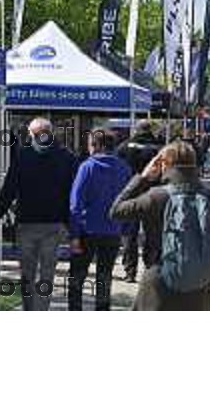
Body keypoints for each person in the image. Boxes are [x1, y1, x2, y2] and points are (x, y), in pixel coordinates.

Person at [110, 141, 210, 310]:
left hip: (158, 283)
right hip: (199, 291)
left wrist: (143, 178)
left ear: (164, 164)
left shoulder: (156, 197)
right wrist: (203, 274)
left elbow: (116, 211)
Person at [0, 117, 78, 311]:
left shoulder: (23, 156)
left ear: (31, 135)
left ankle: (30, 310)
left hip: (27, 223)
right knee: (46, 273)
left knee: (27, 273)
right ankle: (41, 310)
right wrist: (72, 226)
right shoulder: (67, 157)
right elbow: (74, 195)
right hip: (54, 223)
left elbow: (8, 191)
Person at [68, 129, 132, 311]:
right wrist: (126, 230)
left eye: (90, 144)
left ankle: (75, 310)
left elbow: (75, 203)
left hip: (87, 230)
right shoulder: (124, 168)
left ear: (98, 146)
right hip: (112, 230)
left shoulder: (87, 167)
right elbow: (128, 202)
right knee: (105, 276)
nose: (88, 148)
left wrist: (74, 234)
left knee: (77, 276)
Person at [117, 120, 163, 282]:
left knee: (130, 234)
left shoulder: (124, 147)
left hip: (132, 193)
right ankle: (150, 269)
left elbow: (119, 171)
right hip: (154, 195)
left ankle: (130, 272)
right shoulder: (161, 147)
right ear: (150, 130)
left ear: (136, 130)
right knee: (153, 233)